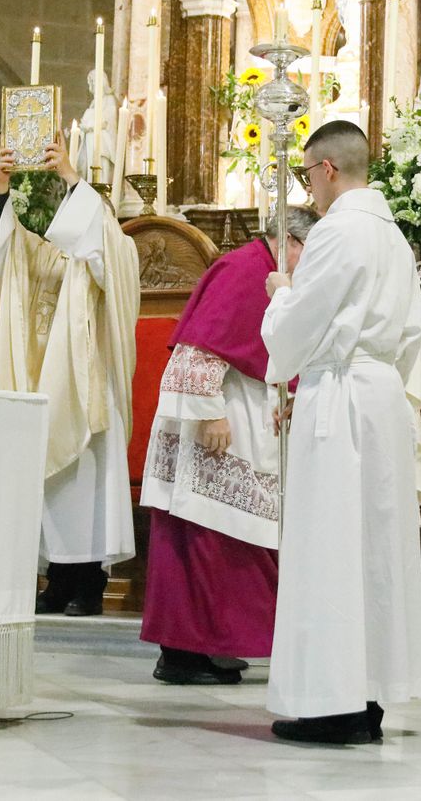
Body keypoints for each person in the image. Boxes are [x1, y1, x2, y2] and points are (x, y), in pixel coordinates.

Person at [260, 120, 421, 744]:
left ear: (327, 170)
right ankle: (369, 698)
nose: (308, 189)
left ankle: (333, 705)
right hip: (382, 399)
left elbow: (297, 329)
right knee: (375, 552)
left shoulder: (337, 231)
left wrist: (282, 293)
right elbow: (413, 337)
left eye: (308, 176)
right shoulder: (395, 238)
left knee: (331, 548)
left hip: (340, 401)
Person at [140, 205, 320, 685]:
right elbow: (197, 346)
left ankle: (208, 647)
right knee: (203, 538)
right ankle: (183, 655)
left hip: (237, 413)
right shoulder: (245, 268)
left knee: (224, 538)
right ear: (290, 243)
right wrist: (211, 413)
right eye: (309, 252)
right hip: (214, 422)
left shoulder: (266, 270)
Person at [0, 133, 141, 616]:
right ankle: (57, 578)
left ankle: (88, 579)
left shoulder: (116, 250)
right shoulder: (50, 256)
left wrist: (70, 174)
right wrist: (2, 187)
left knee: (86, 486)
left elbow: (98, 242)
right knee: (49, 485)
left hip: (91, 388)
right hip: (47, 385)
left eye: (79, 207)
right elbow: (5, 253)